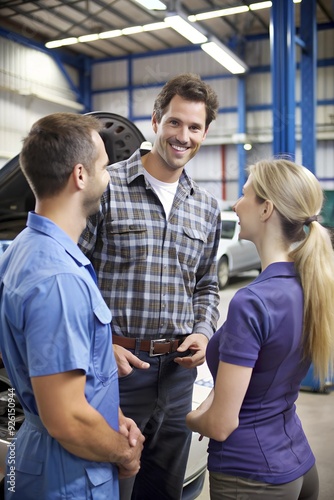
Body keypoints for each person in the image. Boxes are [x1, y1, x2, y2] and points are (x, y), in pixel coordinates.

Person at [79, 73, 221, 499]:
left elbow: (207, 284)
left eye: (194, 127)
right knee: (107, 486)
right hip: (116, 370)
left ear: (205, 132)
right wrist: (99, 342)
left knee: (165, 489)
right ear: (157, 121)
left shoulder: (206, 207)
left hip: (178, 376)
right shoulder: (107, 187)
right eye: (175, 123)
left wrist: (203, 330)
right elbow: (73, 273)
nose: (183, 136)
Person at [0, 112, 145, 499]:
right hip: (68, 474)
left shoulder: (24, 248)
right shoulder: (59, 279)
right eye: (104, 166)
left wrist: (112, 418)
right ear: (80, 176)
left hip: (43, 459)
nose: (110, 175)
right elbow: (67, 420)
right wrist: (124, 453)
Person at [186, 158, 334, 500]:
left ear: (266, 209)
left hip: (250, 475)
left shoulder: (251, 302)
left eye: (244, 195)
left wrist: (189, 418)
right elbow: (260, 381)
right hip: (296, 459)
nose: (236, 206)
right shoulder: (307, 285)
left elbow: (222, 424)